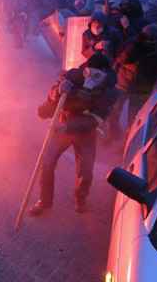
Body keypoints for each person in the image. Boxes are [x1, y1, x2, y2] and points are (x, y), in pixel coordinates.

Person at [31, 53, 118, 216]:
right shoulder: (73, 75)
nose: (92, 77)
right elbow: (52, 95)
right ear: (85, 68)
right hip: (63, 122)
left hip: (85, 132)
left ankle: (80, 198)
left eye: (98, 75)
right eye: (89, 72)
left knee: (85, 170)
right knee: (47, 163)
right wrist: (58, 90)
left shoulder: (109, 92)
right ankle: (44, 200)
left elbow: (96, 119)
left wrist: (68, 126)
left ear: (105, 75)